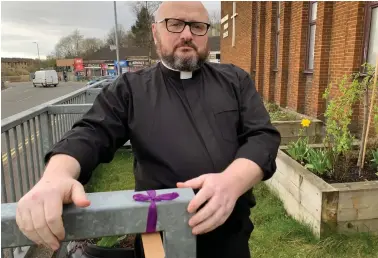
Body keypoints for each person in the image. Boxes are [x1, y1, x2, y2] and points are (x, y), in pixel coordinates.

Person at [15, 2, 281, 258]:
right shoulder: (130, 89)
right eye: (175, 24)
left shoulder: (235, 80)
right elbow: (90, 133)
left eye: (198, 26)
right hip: (158, 236)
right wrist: (56, 176)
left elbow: (262, 137)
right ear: (156, 32)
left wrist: (231, 182)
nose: (187, 34)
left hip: (229, 235)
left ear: (206, 33)